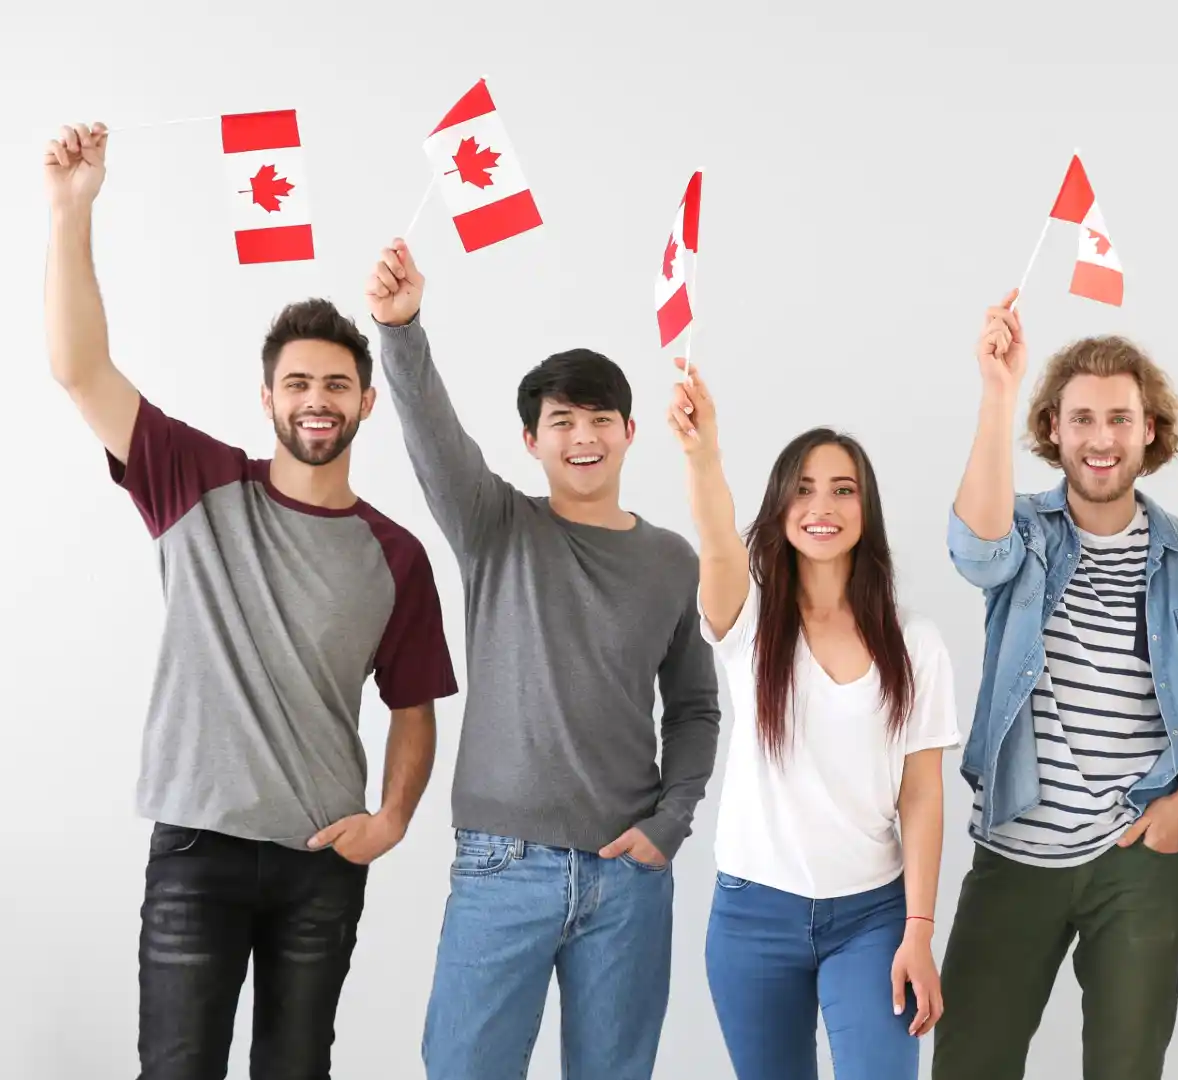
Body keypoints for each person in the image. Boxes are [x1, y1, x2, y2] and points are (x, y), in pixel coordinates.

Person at [44, 123, 459, 1079]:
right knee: (178, 1068)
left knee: (296, 1070)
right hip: (197, 850)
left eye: (338, 386)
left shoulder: (396, 555)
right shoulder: (194, 480)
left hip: (322, 862)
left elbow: (414, 709)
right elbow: (78, 370)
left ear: (366, 406)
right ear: (268, 400)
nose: (319, 399)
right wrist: (72, 214)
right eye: (299, 383)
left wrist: (391, 820)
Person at [363, 240, 721, 1080]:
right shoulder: (495, 526)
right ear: (531, 441)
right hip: (502, 866)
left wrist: (671, 823)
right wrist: (402, 327)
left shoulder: (672, 560)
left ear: (631, 432)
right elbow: (432, 434)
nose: (583, 436)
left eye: (600, 419)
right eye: (562, 421)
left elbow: (696, 708)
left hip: (627, 876)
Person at [932, 289, 1178, 1080]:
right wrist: (998, 392)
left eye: (1120, 419)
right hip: (1017, 843)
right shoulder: (1024, 530)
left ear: (1149, 430)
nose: (1102, 439)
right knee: (968, 1064)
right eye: (1083, 419)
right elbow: (974, 551)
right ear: (1053, 431)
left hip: (1138, 852)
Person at [666, 360, 956, 1078]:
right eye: (803, 489)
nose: (821, 505)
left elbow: (921, 795)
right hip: (752, 917)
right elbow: (715, 541)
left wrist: (919, 929)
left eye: (842, 490)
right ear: (780, 506)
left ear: (866, 510)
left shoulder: (915, 641)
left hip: (873, 918)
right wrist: (704, 456)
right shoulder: (750, 622)